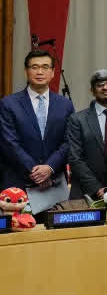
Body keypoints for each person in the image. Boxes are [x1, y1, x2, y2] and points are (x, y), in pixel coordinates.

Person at [0, 49, 74, 196]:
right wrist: (36, 171)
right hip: (17, 185)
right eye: (34, 67)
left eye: (45, 67)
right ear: (26, 72)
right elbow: (9, 143)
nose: (40, 72)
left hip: (54, 182)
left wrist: (49, 167)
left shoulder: (65, 105)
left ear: (53, 72)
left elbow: (69, 141)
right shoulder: (8, 104)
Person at [66, 68, 107, 200]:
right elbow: (75, 158)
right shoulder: (77, 119)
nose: (105, 88)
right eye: (100, 85)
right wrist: (96, 188)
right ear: (92, 90)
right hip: (85, 192)